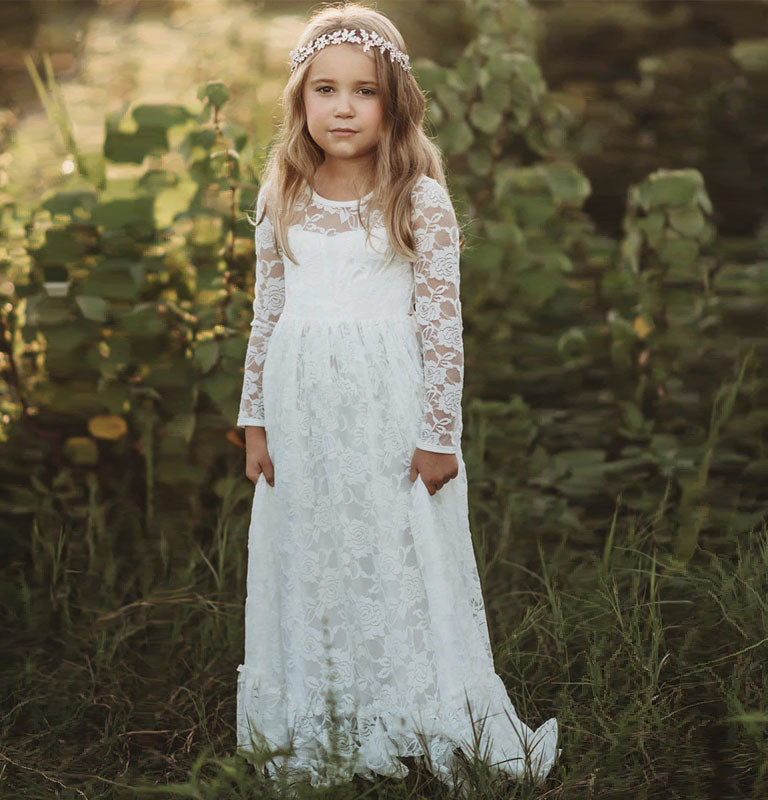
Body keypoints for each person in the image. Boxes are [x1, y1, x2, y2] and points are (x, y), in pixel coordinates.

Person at [235, 2, 559, 792]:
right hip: (302, 403)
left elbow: (444, 327)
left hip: (389, 405)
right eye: (325, 90)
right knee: (314, 552)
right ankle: (320, 712)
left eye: (364, 92)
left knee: (397, 548)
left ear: (395, 103)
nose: (342, 108)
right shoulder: (282, 190)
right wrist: (255, 419)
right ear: (300, 100)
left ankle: (417, 704)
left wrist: (438, 432)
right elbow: (266, 311)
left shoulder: (419, 198)